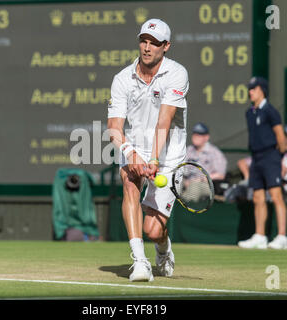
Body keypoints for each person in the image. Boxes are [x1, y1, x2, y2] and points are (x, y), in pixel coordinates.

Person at [107, 18, 189, 281]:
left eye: (154, 43)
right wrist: (131, 154)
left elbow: (164, 121)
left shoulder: (177, 74)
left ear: (166, 46)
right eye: (143, 40)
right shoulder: (121, 79)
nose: (147, 47)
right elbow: (114, 127)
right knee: (129, 182)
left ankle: (163, 249)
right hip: (135, 146)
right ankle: (140, 261)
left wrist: (154, 158)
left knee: (153, 230)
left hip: (169, 154)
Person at [238, 76, 287, 250]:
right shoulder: (249, 113)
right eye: (250, 89)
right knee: (258, 198)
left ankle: (282, 237)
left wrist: (278, 158)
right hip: (256, 158)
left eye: (253, 89)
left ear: (261, 90)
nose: (250, 92)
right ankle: (260, 236)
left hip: (271, 157)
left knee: (276, 196)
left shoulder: (271, 111)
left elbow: (281, 138)